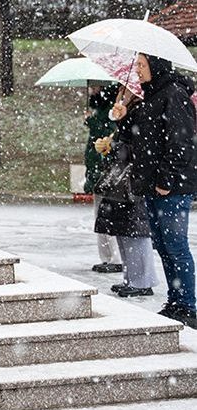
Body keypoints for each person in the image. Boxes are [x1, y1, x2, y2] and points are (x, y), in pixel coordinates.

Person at [124, 53, 197, 327]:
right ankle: (175, 301)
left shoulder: (173, 94)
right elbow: (138, 137)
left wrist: (166, 180)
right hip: (153, 185)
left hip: (171, 187)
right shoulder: (150, 95)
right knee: (164, 246)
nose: (139, 70)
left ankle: (188, 304)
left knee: (176, 245)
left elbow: (181, 143)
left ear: (156, 66)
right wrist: (121, 117)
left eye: (143, 65)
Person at [93, 87, 157, 297]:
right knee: (123, 229)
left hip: (134, 179)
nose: (122, 93)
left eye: (126, 90)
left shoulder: (142, 110)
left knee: (135, 229)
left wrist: (114, 145)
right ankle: (132, 278)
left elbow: (139, 146)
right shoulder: (128, 110)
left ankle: (142, 280)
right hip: (125, 177)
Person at [85, 85, 122, 273]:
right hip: (98, 173)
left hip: (106, 173)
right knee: (100, 216)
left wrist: (92, 122)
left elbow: (106, 139)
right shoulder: (99, 110)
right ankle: (107, 257)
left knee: (109, 215)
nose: (91, 89)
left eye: (95, 86)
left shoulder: (109, 112)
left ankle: (115, 257)